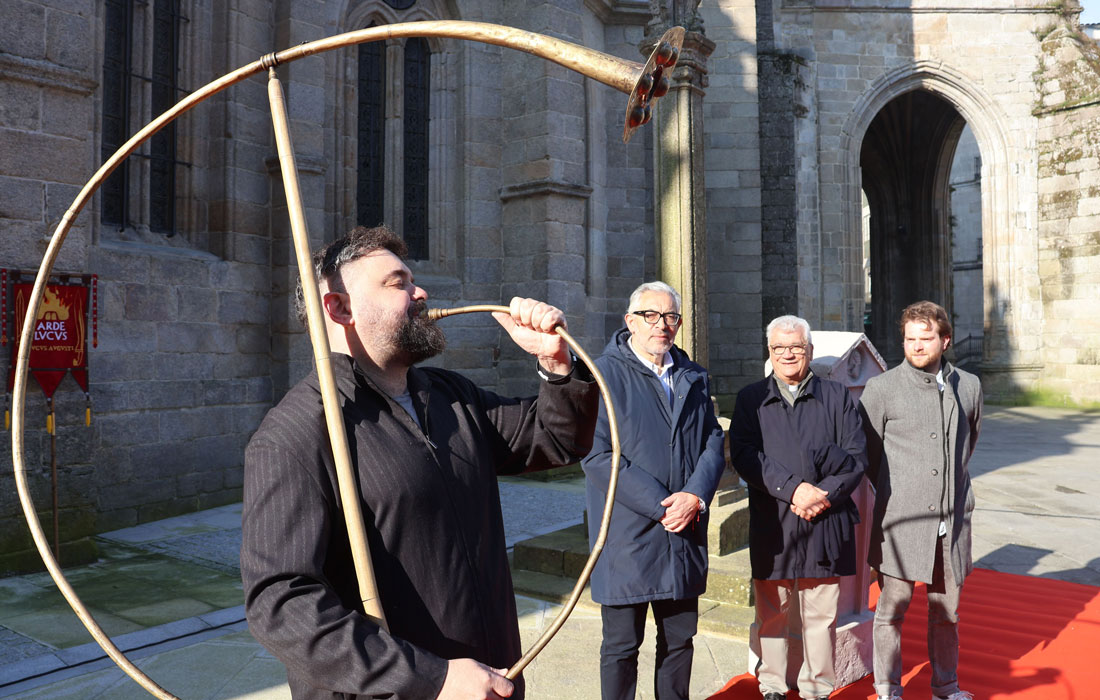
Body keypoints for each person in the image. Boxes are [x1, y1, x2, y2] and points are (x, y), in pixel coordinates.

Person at [241, 225, 600, 700]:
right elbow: (282, 604)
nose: (421, 292)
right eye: (398, 283)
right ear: (340, 308)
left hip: (495, 680)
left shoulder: (449, 396)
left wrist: (556, 368)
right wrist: (431, 678)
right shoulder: (295, 433)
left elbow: (554, 440)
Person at [581, 281, 726, 700]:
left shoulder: (693, 375)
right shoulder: (601, 374)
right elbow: (596, 455)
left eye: (671, 317)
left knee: (680, 643)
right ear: (629, 321)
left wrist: (696, 495)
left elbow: (713, 441)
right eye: (651, 315)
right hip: (629, 534)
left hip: (684, 535)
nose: (662, 325)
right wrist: (663, 507)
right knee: (622, 648)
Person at [729, 315, 867, 700]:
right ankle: (772, 682)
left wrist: (820, 495)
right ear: (769, 352)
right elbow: (744, 454)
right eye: (779, 348)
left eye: (796, 347)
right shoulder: (751, 398)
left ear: (810, 351)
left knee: (821, 614)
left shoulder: (837, 397)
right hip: (774, 521)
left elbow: (856, 457)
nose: (787, 354)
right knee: (772, 610)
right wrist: (793, 491)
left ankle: (817, 687)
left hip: (825, 519)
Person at [859, 301, 982, 700]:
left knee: (946, 613)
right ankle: (887, 689)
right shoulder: (881, 388)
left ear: (945, 340)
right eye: (909, 339)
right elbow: (867, 456)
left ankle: (945, 687)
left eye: (925, 338)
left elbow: (968, 444)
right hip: (901, 522)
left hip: (951, 523)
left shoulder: (971, 386)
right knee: (891, 608)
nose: (915, 346)